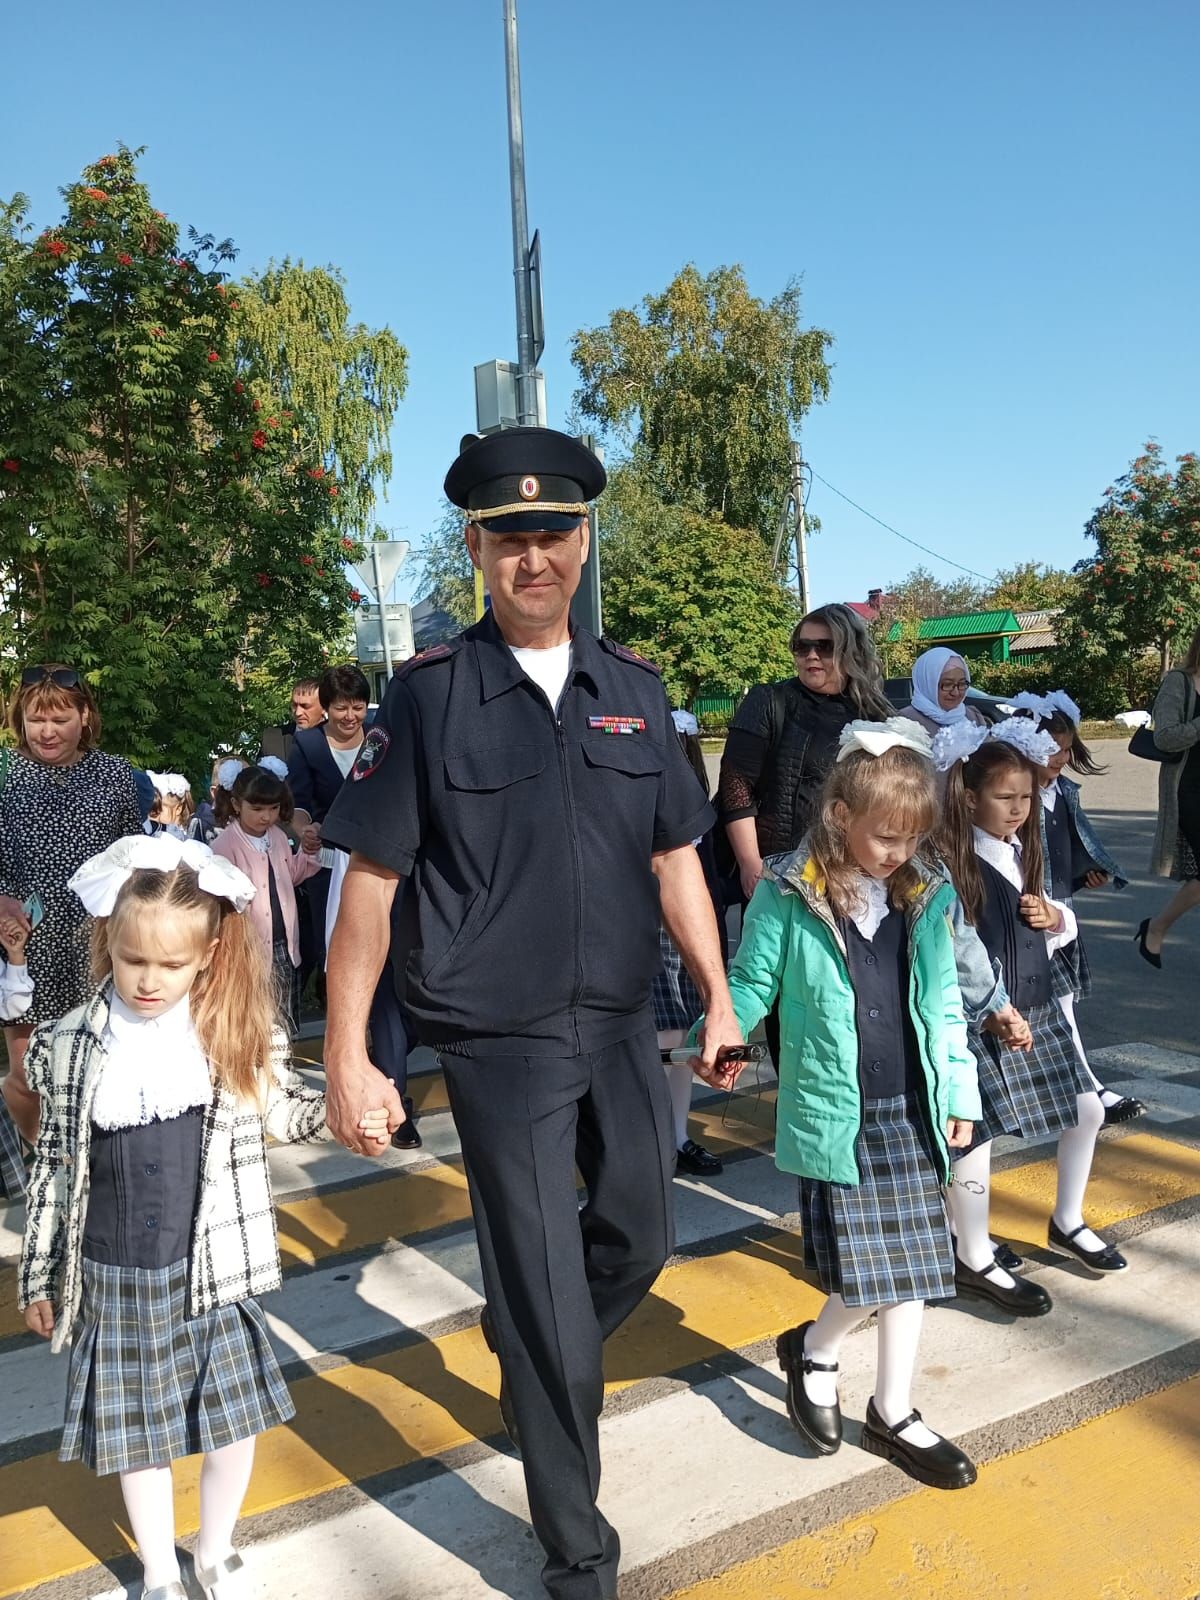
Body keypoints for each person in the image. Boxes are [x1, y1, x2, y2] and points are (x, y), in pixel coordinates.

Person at [319, 426, 743, 1600]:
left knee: (642, 1236)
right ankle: (578, 1550)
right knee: (552, 1297)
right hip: (497, 1045)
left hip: (617, 1023)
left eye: (552, 533)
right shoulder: (432, 698)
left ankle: (534, 1346)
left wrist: (716, 996)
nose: (533, 557)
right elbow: (371, 885)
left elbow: (677, 861)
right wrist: (348, 1057)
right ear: (477, 550)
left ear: (584, 538)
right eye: (509, 539)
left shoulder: (635, 692)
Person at [18, 834, 392, 1600]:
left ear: (211, 955)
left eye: (170, 964)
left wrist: (343, 1116)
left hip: (214, 1271)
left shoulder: (232, 1034)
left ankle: (213, 1550)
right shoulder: (66, 1045)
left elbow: (282, 1112)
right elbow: (52, 1167)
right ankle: (158, 1570)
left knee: (233, 1428)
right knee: (140, 1442)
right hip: (114, 1273)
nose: (149, 981)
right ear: (109, 944)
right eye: (132, 961)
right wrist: (39, 1275)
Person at [707, 720, 980, 1489]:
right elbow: (752, 982)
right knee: (873, 1273)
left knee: (918, 1265)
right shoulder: (789, 894)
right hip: (838, 1111)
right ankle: (819, 1350)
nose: (900, 852)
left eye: (913, 836)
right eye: (887, 836)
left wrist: (959, 1091)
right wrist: (719, 1036)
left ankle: (890, 1408)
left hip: (913, 1105)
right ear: (840, 818)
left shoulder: (925, 894)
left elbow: (945, 1004)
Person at [935, 719, 1127, 1290]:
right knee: (976, 1131)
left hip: (1038, 1003)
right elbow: (951, 944)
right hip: (985, 1015)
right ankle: (970, 1249)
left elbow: (1058, 924)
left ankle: (1067, 1219)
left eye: (1025, 797)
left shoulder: (1026, 846)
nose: (1018, 808)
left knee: (1088, 1109)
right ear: (969, 798)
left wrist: (1057, 917)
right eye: (1004, 797)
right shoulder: (953, 859)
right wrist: (985, 1005)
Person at [719, 605, 892, 1070]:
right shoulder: (770, 701)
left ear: (850, 649)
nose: (811, 656)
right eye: (802, 646)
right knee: (794, 1001)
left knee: (857, 999)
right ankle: (799, 1111)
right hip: (786, 880)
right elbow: (736, 790)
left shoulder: (876, 713)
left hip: (860, 878)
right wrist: (754, 868)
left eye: (824, 646)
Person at [0, 665, 142, 1143]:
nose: (45, 731)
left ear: (84, 715)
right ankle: (44, 1155)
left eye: (59, 719)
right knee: (27, 1079)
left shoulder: (115, 776)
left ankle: (84, 1169)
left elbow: (133, 858)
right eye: (35, 718)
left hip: (97, 946)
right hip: (24, 948)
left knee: (97, 1071)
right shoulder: (4, 773)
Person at [1014, 691, 1142, 1127]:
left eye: (1066, 749)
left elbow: (1071, 844)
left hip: (1060, 910)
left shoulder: (1063, 791)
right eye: (1051, 749)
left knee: (1062, 1003)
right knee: (1044, 1007)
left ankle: (1083, 1087)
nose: (1060, 758)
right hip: (1029, 913)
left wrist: (1088, 873)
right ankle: (1089, 1090)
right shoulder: (1017, 796)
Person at [653, 711, 727, 1177]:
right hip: (632, 926)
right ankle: (652, 1140)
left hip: (677, 931)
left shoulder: (696, 810)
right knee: (654, 1040)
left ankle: (677, 1137)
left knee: (681, 1036)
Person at [211, 761, 322, 1032]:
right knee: (255, 1014)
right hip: (249, 947)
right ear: (237, 804)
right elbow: (220, 900)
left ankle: (285, 1065)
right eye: (257, 809)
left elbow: (291, 875)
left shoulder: (278, 837)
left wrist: (308, 851)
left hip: (284, 943)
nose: (266, 816)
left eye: (273, 808)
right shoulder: (225, 845)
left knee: (285, 1015)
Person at [288, 665, 371, 1005]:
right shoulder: (307, 743)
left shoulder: (383, 738)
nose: (350, 716)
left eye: (358, 707)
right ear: (326, 707)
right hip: (327, 864)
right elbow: (299, 805)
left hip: (376, 861)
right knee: (334, 948)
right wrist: (305, 830)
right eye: (341, 707)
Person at [1140, 624, 1200, 964]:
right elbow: (1165, 737)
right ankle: (1157, 927)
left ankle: (1157, 926)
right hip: (1189, 790)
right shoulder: (1179, 682)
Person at [260, 676, 325, 765]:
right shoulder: (273, 738)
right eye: (294, 705)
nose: (298, 713)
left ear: (324, 707)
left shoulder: (340, 740)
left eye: (305, 706)